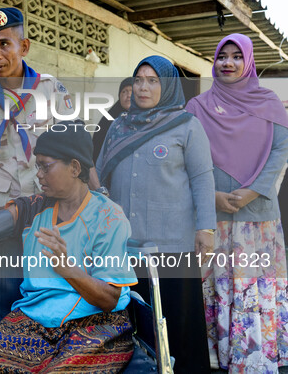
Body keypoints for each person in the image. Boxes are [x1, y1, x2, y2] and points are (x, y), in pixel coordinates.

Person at [0, 121, 137, 373]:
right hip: (34, 319)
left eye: (46, 166)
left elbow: (110, 299)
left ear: (75, 167)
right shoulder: (34, 207)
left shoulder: (108, 216)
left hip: (96, 323)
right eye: (38, 166)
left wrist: (69, 271)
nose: (38, 174)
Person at [96, 55, 216, 373]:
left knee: (176, 319)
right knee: (128, 320)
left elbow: (203, 178)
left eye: (153, 80)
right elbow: (99, 174)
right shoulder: (118, 126)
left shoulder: (187, 126)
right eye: (138, 80)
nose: (143, 87)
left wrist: (206, 229)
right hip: (124, 243)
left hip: (172, 243)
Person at [186, 33, 288, 373]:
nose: (228, 62)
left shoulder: (269, 103)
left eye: (236, 56)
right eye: (221, 56)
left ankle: (255, 355)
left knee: (252, 285)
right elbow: (187, 157)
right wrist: (211, 194)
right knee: (216, 284)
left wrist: (253, 190)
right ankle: (216, 354)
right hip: (213, 216)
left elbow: (280, 152)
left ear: (248, 62)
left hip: (257, 216)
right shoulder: (197, 108)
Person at [0, 7, 101, 220]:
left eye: (4, 44)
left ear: (24, 47)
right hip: (0, 212)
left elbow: (79, 148)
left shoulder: (50, 89)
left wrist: (98, 196)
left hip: (49, 207)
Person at [92, 77, 133, 163]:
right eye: (124, 91)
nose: (128, 95)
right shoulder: (107, 121)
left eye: (132, 91)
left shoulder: (149, 119)